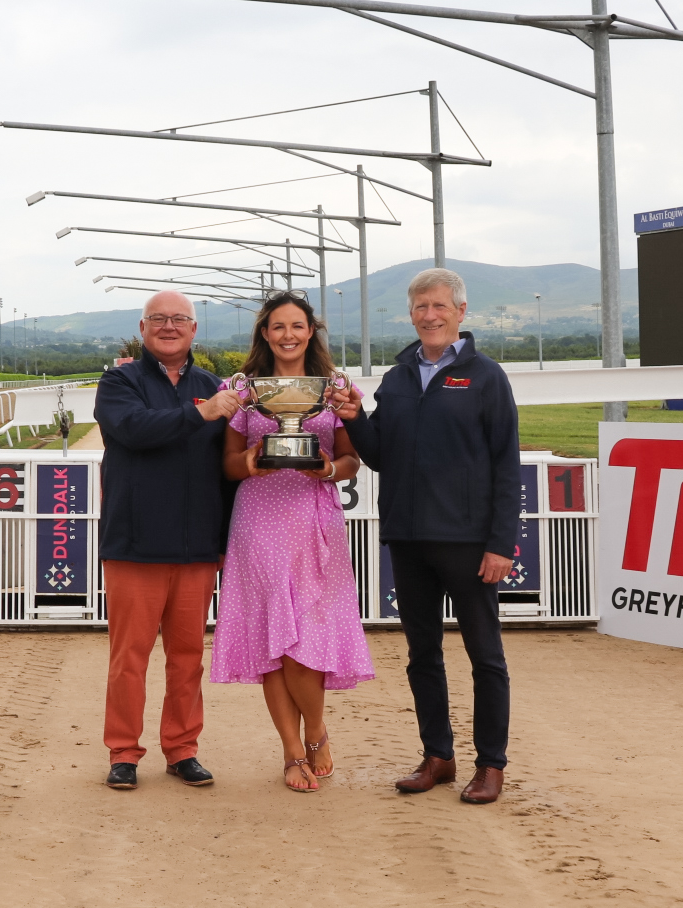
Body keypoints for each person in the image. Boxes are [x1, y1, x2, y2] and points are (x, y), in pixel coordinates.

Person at [331, 268, 521, 805]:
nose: (430, 316)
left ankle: (490, 765)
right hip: (409, 540)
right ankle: (437, 755)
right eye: (420, 308)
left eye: (439, 306)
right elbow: (382, 456)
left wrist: (501, 543)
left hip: (468, 542)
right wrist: (357, 418)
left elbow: (507, 465)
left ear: (461, 312)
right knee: (422, 656)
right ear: (411, 315)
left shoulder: (486, 377)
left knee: (486, 657)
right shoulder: (397, 378)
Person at [211, 289, 375, 793]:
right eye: (278, 327)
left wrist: (327, 467)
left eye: (297, 327)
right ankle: (290, 751)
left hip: (313, 520)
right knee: (273, 643)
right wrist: (254, 462)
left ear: (311, 332)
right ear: (265, 333)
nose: (288, 335)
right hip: (258, 522)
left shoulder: (335, 387)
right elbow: (229, 463)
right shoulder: (241, 387)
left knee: (304, 642)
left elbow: (352, 458)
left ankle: (317, 732)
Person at [93, 290, 241, 791]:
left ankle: (182, 749)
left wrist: (223, 541)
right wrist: (201, 415)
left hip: (196, 546)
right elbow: (133, 429)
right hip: (134, 545)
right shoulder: (119, 382)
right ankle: (123, 751)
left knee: (188, 658)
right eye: (159, 319)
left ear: (195, 330)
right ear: (142, 327)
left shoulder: (212, 387)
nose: (170, 326)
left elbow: (226, 474)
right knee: (128, 657)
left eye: (180, 319)